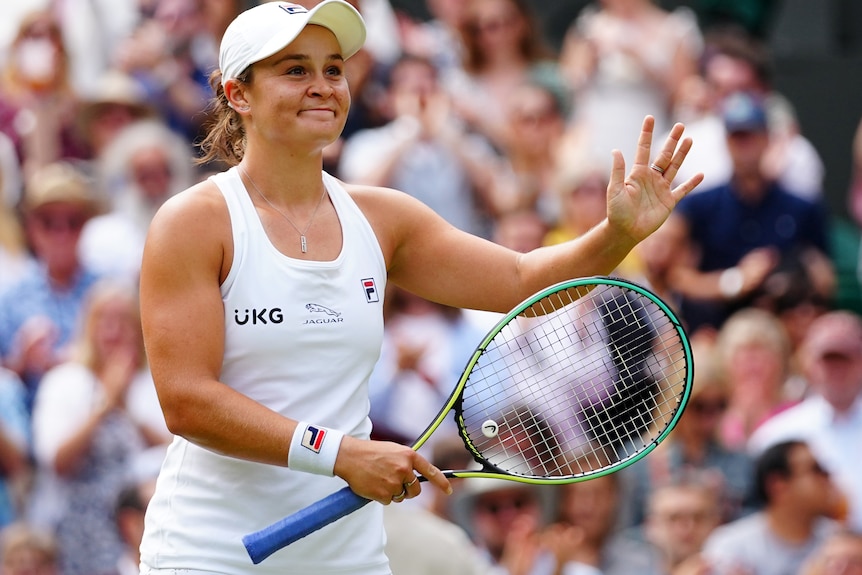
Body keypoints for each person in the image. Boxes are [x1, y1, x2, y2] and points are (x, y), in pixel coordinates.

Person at [136, 1, 703, 573]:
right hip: (210, 551)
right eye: (295, 70)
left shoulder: (384, 218)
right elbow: (187, 401)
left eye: (333, 69)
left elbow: (521, 282)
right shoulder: (193, 223)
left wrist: (615, 235)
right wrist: (339, 455)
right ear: (238, 94)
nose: (323, 86)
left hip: (346, 557)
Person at [28, 280, 170, 575]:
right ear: (88, 327)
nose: (114, 331)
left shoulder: (153, 383)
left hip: (138, 530)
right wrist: (104, 404)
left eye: (124, 321)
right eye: (105, 320)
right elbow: (57, 461)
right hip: (75, 531)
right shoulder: (65, 381)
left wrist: (127, 408)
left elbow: (175, 451)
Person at [668, 90, 833, 335]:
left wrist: (791, 280)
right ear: (726, 141)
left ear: (767, 138)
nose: (744, 145)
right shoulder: (699, 206)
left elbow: (826, 281)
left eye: (751, 135)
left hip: (785, 330)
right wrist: (734, 281)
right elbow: (677, 276)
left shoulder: (802, 208)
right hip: (716, 330)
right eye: (737, 136)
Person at [0, 162, 103, 413]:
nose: (61, 232)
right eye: (48, 222)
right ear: (31, 229)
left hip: (97, 413)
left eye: (73, 221)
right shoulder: (11, 295)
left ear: (86, 225)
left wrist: (83, 360)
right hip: (30, 418)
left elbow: (132, 365)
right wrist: (23, 362)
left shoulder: (108, 291)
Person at [749, 311, 862, 532]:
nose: (837, 370)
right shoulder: (776, 434)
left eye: (845, 360)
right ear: (809, 364)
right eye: (828, 360)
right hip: (804, 557)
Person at [701, 440, 842, 575]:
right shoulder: (732, 547)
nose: (827, 476)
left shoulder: (840, 542)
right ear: (778, 486)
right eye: (815, 470)